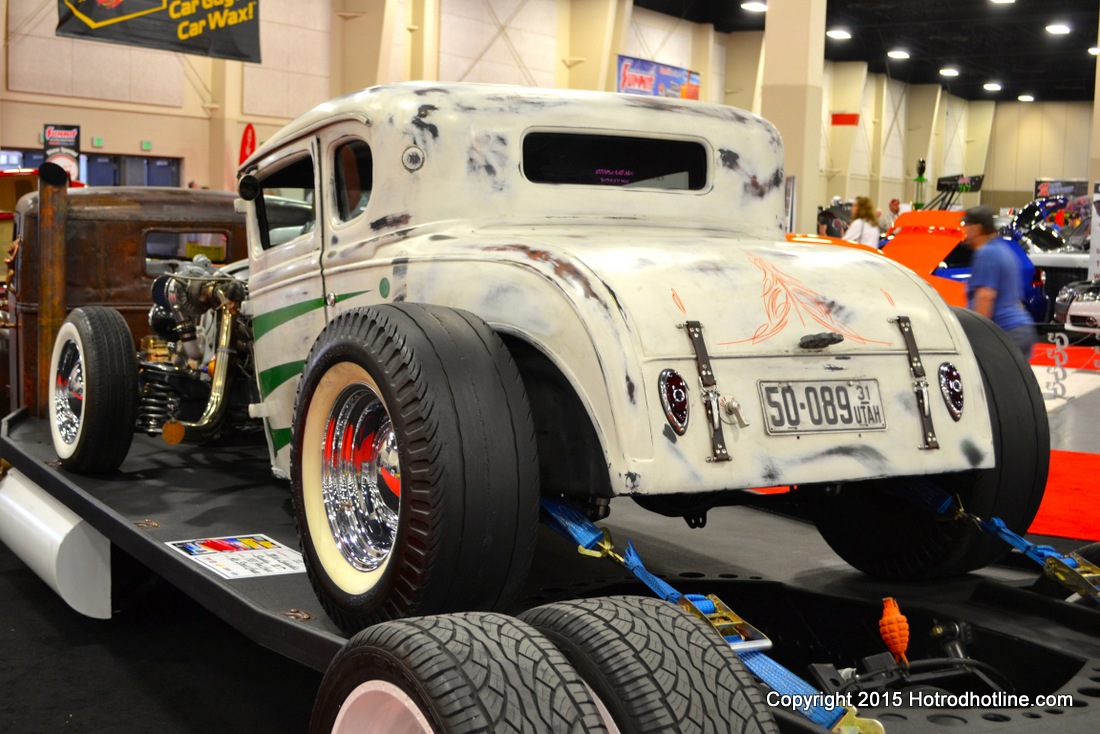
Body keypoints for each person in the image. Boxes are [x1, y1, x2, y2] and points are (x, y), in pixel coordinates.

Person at [961, 205, 1037, 359]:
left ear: (976, 229)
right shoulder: (1002, 250)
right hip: (1021, 329)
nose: (965, 232)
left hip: (1007, 333)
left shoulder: (986, 253)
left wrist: (976, 341)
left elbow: (985, 297)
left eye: (967, 227)